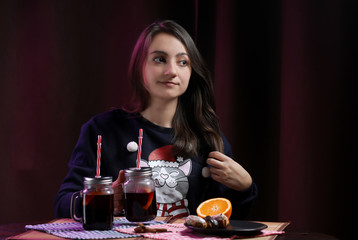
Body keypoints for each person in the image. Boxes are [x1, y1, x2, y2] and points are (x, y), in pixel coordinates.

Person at [54, 20, 257, 219]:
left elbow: (226, 217)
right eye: (159, 59)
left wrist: (245, 187)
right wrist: (99, 198)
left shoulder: (208, 138)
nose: (171, 71)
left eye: (183, 62)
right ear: (139, 66)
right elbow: (63, 204)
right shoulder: (101, 130)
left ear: (191, 72)